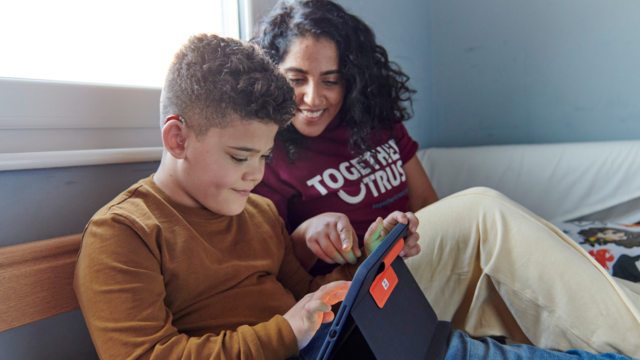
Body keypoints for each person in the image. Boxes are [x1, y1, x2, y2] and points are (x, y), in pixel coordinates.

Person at [73, 33, 634, 360]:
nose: (254, 175)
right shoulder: (125, 233)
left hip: (345, 344)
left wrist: (377, 257)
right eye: (241, 157)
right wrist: (288, 330)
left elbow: (312, 295)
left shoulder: (259, 212)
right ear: (177, 137)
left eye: (265, 157)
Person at [251, 0, 640, 356]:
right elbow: (277, 282)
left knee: (520, 275)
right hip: (356, 299)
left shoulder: (373, 121)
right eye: (296, 78)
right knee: (482, 211)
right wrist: (306, 237)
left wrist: (412, 232)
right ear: (272, 75)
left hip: (412, 265)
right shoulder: (266, 151)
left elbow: (429, 206)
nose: (314, 97)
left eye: (331, 80)